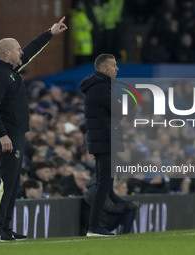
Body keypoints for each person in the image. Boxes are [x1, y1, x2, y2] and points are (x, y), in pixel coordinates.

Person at [0, 17, 67, 242]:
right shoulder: (0, 75)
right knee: (5, 183)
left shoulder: (11, 71)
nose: (21, 52)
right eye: (17, 49)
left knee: (13, 184)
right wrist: (2, 134)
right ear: (7, 53)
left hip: (16, 134)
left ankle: (5, 229)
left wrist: (49, 33)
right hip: (8, 136)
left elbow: (31, 51)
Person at [80, 53, 123, 236]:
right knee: (104, 181)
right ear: (104, 69)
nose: (117, 68)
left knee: (106, 181)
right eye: (114, 65)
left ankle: (96, 225)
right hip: (104, 139)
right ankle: (95, 226)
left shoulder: (101, 85)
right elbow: (119, 110)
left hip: (104, 138)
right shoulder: (99, 86)